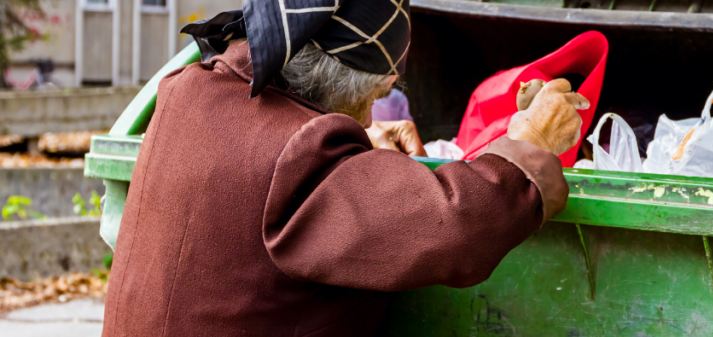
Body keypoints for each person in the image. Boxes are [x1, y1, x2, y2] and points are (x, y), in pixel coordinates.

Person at [101, 0, 585, 335]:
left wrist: (357, 154)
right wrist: (531, 141)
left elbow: (258, 174)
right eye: (374, 97)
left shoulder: (188, 89)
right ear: (340, 80)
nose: (373, 117)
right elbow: (456, 227)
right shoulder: (301, 155)